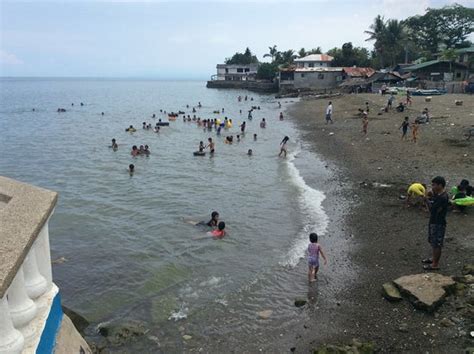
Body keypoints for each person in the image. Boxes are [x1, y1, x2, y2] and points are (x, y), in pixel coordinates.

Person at [422, 176, 449, 270]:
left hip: (438, 223)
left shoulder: (442, 198)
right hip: (434, 221)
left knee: (437, 244)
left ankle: (435, 264)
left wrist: (426, 199)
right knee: (433, 242)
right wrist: (431, 196)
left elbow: (432, 210)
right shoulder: (439, 195)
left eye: (434, 185)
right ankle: (433, 259)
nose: (432, 187)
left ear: (440, 185)